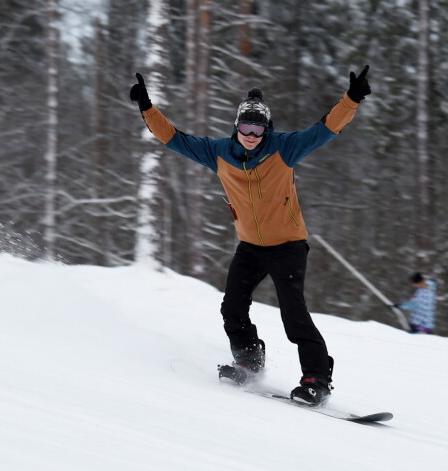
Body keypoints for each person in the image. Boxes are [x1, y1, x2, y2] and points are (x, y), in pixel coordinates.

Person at [130, 66, 371, 405]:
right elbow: (174, 138)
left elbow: (326, 129)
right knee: (232, 306)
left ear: (266, 128)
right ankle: (249, 361)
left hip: (288, 245)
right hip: (251, 247)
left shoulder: (284, 149)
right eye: (245, 126)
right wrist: (147, 108)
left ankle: (317, 379)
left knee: (293, 313)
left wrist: (352, 98)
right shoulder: (219, 153)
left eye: (258, 128)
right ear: (236, 127)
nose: (251, 134)